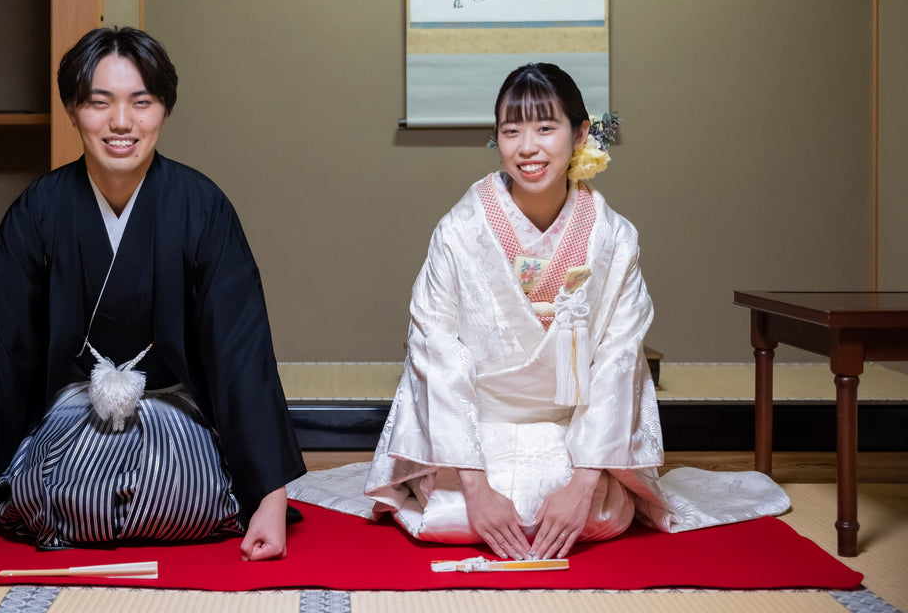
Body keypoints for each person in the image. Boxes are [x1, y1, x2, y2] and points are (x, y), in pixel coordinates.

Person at [289, 62, 787, 559]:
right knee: (456, 516)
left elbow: (618, 360)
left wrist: (583, 483)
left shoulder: (614, 238)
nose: (527, 147)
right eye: (511, 131)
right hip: (475, 431)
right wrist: (477, 487)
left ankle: (573, 490)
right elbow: (435, 350)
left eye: (546, 128)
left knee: (590, 512)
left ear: (580, 133)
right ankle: (472, 491)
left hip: (571, 433)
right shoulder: (461, 230)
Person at [0, 26, 305, 562]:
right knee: (51, 489)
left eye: (141, 103)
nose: (121, 123)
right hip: (73, 411)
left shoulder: (202, 207)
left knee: (181, 489)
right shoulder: (40, 211)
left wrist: (269, 496)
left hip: (175, 412)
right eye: (99, 103)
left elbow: (240, 350)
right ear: (73, 110)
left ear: (164, 110)